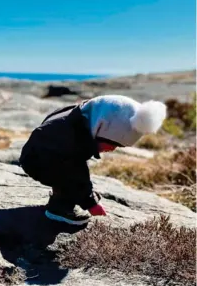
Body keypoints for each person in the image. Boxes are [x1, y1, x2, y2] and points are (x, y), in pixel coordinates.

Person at [19, 95, 167, 225]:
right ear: (101, 129)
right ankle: (58, 209)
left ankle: (63, 192)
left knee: (69, 175)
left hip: (45, 154)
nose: (112, 149)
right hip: (37, 161)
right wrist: (90, 203)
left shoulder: (82, 119)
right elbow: (76, 173)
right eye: (113, 144)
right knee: (69, 178)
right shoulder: (71, 140)